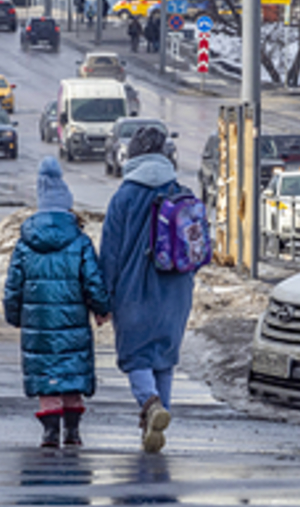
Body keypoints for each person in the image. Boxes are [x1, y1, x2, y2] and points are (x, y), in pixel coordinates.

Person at [99, 127, 195, 453]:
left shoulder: (124, 197)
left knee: (135, 356)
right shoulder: (181, 191)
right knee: (163, 360)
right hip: (175, 290)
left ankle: (151, 405)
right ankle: (155, 425)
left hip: (134, 290)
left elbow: (110, 254)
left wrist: (103, 299)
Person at [4, 157, 110, 448]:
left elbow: (13, 284)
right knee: (72, 373)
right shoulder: (80, 241)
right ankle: (73, 431)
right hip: (73, 321)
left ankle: (50, 431)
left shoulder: (25, 243)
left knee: (46, 374)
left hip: (37, 323)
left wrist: (14, 315)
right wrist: (101, 308)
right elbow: (93, 281)